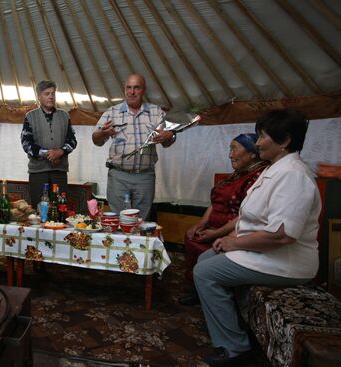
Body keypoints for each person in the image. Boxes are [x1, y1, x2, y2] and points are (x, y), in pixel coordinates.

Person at [193, 109, 321, 366]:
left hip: (285, 261)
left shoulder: (294, 175)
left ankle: (235, 348)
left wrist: (234, 242)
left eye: (262, 136)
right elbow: (255, 217)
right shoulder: (276, 169)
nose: (258, 141)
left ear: (284, 141)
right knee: (206, 257)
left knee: (205, 273)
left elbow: (280, 236)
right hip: (263, 251)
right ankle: (233, 322)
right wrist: (230, 238)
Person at [179, 134, 268, 305]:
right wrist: (200, 224)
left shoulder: (258, 178)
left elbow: (245, 216)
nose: (230, 154)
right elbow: (215, 203)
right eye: (230, 149)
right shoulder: (236, 175)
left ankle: (213, 295)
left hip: (232, 232)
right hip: (214, 227)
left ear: (252, 154)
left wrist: (215, 234)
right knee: (192, 236)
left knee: (208, 251)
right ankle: (197, 289)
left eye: (235, 149)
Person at [92, 74, 176, 220]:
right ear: (124, 90)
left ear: (143, 90)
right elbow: (95, 139)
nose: (132, 92)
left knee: (141, 221)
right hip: (119, 176)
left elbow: (168, 141)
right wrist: (102, 133)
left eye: (136, 88)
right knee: (118, 220)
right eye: (128, 88)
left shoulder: (156, 112)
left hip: (145, 176)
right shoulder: (112, 112)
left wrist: (170, 135)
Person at [21, 80, 77, 207]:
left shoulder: (65, 116)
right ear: (39, 96)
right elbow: (26, 144)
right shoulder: (30, 116)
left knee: (60, 208)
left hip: (59, 171)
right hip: (38, 172)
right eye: (47, 94)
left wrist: (60, 152)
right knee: (40, 209)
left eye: (53, 93)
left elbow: (72, 140)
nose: (51, 96)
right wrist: (49, 154)